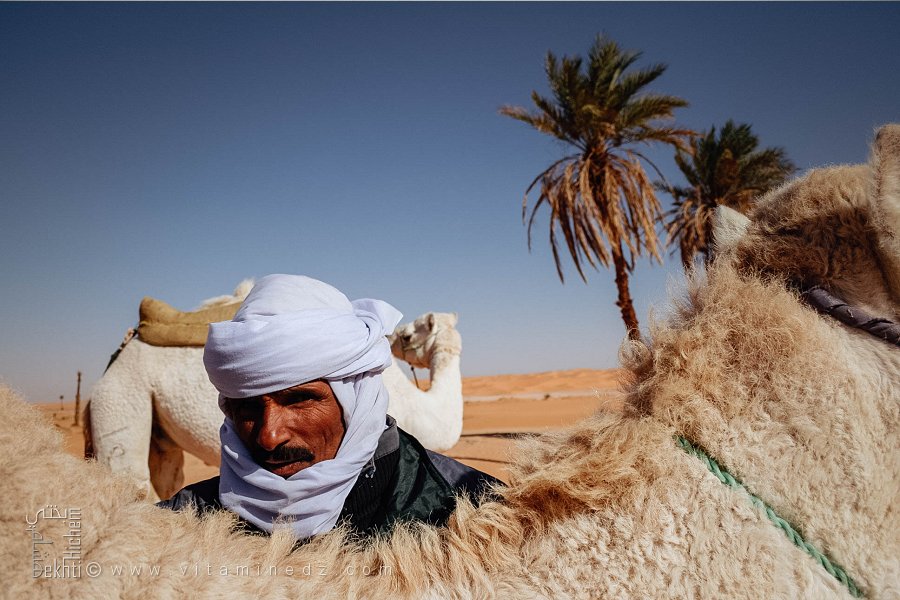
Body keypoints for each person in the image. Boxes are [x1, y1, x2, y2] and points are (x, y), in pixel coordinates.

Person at [158, 274, 500, 540]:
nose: (268, 435)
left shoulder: (477, 516)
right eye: (245, 407)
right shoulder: (183, 525)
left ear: (357, 397)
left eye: (299, 399)